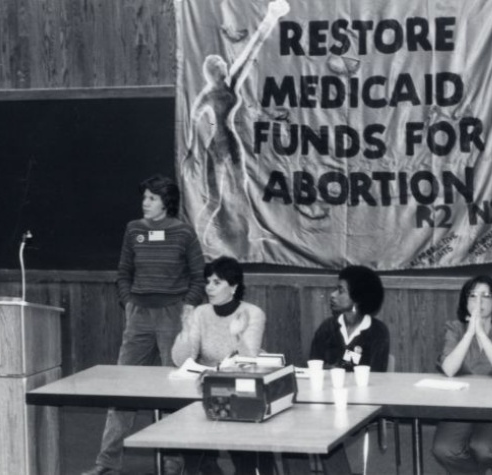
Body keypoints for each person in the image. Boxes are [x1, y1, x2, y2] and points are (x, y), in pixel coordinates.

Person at [84, 175, 206, 475]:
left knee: (174, 390)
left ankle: (173, 463)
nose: (145, 203)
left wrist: (187, 306)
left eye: (151, 198)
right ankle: (107, 463)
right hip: (138, 315)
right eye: (144, 198)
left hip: (172, 315)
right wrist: (128, 302)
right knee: (123, 390)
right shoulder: (133, 229)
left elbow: (199, 276)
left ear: (166, 201)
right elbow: (124, 271)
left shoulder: (184, 233)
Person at [180, 0, 289, 257]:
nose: (226, 67)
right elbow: (194, 119)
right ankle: (197, 240)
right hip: (217, 145)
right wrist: (192, 150)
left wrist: (271, 17)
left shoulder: (229, 86)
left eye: (224, 65)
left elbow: (252, 50)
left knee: (241, 188)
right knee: (215, 198)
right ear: (213, 73)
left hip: (229, 140)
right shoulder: (209, 93)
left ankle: (255, 232)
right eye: (221, 66)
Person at [172, 256, 270, 475]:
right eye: (208, 282)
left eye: (217, 282)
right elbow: (180, 360)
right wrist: (186, 330)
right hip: (207, 386)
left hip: (242, 387)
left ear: (233, 286)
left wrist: (237, 336)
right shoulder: (201, 312)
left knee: (237, 421)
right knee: (187, 421)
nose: (209, 288)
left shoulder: (253, 313)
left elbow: (249, 359)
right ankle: (206, 469)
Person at [431, 275, 492, 475]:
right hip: (462, 405)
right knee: (444, 449)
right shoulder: (455, 328)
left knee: (483, 449)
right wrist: (469, 334)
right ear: (466, 302)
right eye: (472, 296)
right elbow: (449, 369)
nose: (478, 302)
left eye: (486, 296)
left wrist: (481, 333)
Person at [309, 265, 389, 372]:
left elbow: (377, 374)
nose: (333, 295)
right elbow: (315, 365)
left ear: (357, 297)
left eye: (341, 291)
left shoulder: (377, 331)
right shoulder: (327, 328)